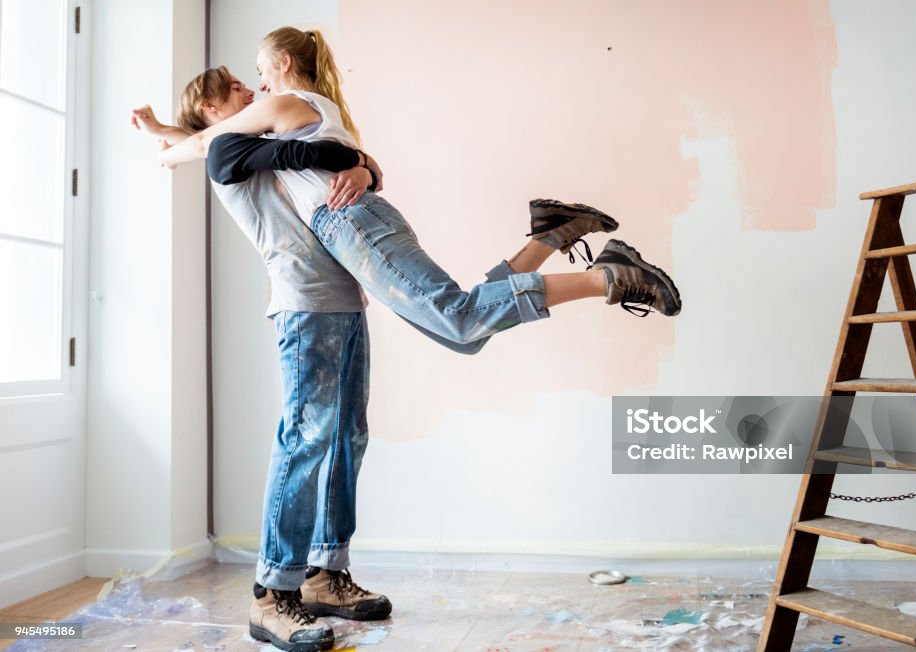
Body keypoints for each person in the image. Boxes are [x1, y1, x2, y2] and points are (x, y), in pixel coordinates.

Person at [133, 26, 681, 652]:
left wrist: (360, 165)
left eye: (253, 76)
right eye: (235, 88)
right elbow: (205, 145)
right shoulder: (231, 154)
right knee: (315, 432)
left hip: (343, 297)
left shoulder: (269, 131)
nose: (251, 87)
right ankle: (272, 595)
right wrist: (163, 140)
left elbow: (258, 140)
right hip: (304, 308)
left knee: (351, 432)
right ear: (209, 111)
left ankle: (324, 573)